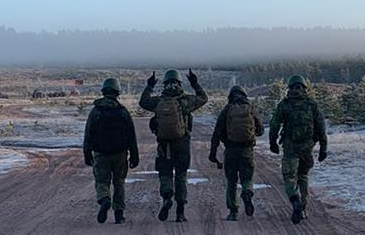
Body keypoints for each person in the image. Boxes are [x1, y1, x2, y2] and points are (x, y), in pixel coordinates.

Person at [139, 69, 207, 222]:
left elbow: (143, 102)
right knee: (181, 175)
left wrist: (149, 86)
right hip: (182, 143)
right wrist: (195, 83)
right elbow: (203, 98)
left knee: (165, 173)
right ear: (179, 83)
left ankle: (167, 197)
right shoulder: (186, 101)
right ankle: (180, 212)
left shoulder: (158, 102)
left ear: (165, 84)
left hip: (164, 145)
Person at [268, 75, 328, 224]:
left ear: (290, 88)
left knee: (289, 177)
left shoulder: (285, 104)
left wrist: (273, 143)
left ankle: (295, 201)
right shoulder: (311, 104)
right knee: (303, 177)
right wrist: (323, 149)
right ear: (304, 87)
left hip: (290, 148)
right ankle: (303, 208)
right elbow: (321, 128)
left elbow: (274, 124)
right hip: (307, 148)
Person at [83, 78, 140, 224]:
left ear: (103, 91)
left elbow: (88, 134)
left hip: (101, 154)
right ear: (117, 92)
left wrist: (87, 153)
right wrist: (134, 155)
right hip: (120, 154)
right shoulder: (122, 112)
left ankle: (104, 199)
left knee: (102, 181)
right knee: (119, 182)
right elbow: (131, 135)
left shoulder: (95, 111)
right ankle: (119, 215)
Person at [209, 86, 264, 221]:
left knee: (231, 181)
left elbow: (216, 132)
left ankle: (233, 211)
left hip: (230, 150)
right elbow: (261, 130)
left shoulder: (227, 110)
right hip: (246, 151)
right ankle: (247, 192)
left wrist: (213, 153)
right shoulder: (250, 109)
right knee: (247, 178)